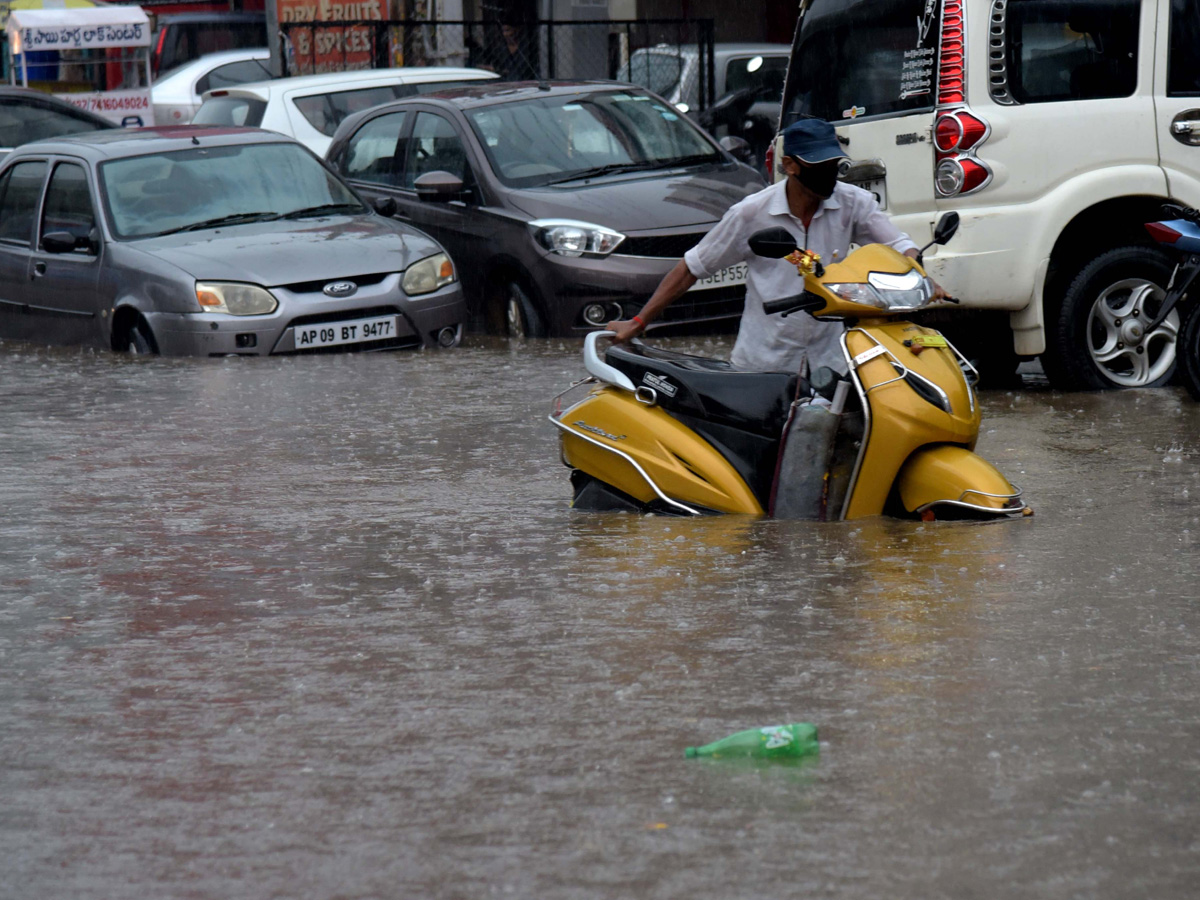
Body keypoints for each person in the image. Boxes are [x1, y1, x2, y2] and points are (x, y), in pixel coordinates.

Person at [608, 118, 945, 374]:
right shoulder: (750, 213)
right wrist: (639, 322)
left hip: (833, 360)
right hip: (765, 363)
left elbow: (899, 244)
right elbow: (691, 268)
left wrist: (919, 276)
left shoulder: (852, 203)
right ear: (790, 166)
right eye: (819, 166)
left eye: (834, 166)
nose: (829, 174)